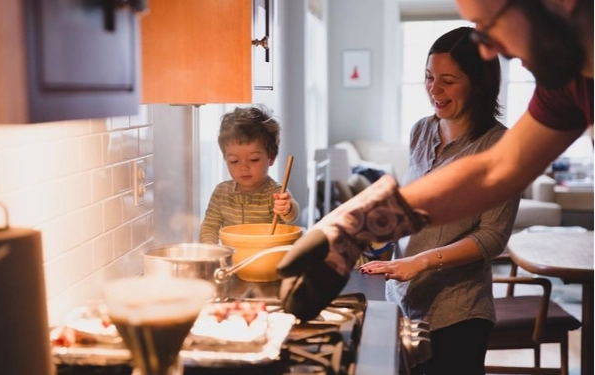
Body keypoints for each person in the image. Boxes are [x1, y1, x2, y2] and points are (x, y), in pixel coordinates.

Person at [276, 0, 592, 324]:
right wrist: (355, 226)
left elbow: (491, 204)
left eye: (488, 25)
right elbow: (494, 170)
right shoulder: (570, 82)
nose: (488, 51)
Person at [358, 27, 520, 375]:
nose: (434, 89)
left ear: (478, 84)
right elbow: (410, 208)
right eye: (429, 77)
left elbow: (492, 237)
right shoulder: (421, 130)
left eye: (447, 80)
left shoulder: (498, 146)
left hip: (458, 313)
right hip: (402, 300)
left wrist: (421, 261)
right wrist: (372, 232)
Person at [199, 106, 300, 244]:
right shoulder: (221, 192)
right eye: (234, 161)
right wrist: (210, 251)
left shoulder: (276, 192)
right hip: (233, 260)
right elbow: (210, 227)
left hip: (268, 258)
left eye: (254, 159)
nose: (243, 167)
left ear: (271, 157)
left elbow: (291, 216)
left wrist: (287, 208)